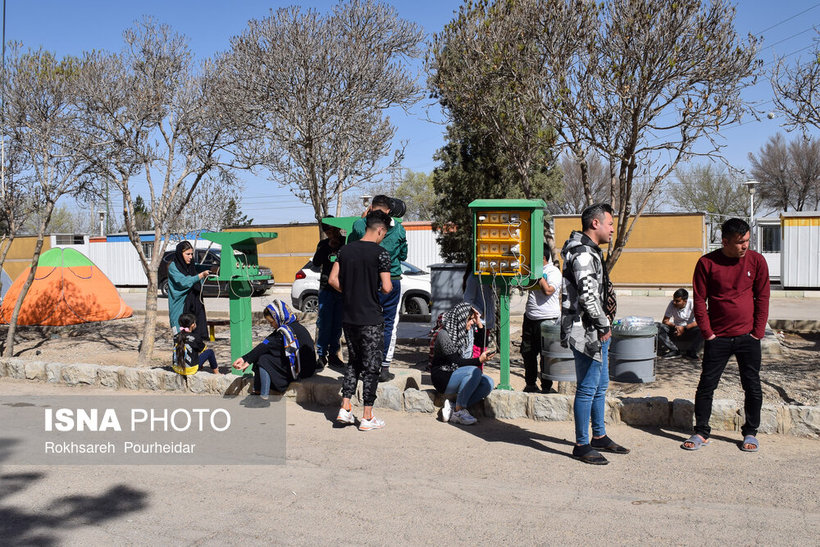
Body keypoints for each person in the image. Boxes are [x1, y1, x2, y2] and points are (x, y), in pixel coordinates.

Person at [683, 218, 770, 453]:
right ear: (725, 242)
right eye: (740, 242)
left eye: (747, 241)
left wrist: (757, 332)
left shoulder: (757, 261)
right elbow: (700, 299)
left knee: (752, 386)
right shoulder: (706, 263)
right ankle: (701, 431)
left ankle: (751, 432)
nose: (745, 246)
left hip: (747, 337)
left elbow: (762, 297)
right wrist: (707, 333)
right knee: (706, 385)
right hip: (717, 338)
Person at [560, 203, 629, 465]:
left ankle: (598, 436)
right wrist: (603, 325)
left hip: (594, 329)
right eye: (610, 224)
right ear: (595, 224)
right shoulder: (583, 254)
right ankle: (581, 444)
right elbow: (588, 297)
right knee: (588, 388)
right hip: (586, 331)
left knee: (599, 387)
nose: (613, 229)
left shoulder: (589, 251)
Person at [329, 209, 393, 431]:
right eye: (384, 233)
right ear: (380, 230)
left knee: (353, 362)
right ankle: (367, 416)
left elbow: (332, 279)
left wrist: (349, 292)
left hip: (349, 317)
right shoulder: (381, 253)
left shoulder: (344, 251)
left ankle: (345, 408)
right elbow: (387, 287)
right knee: (372, 366)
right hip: (371, 318)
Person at [348, 195, 408, 382]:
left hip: (367, 280)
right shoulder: (399, 229)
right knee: (388, 323)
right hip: (392, 278)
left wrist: (362, 216)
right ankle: (383, 367)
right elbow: (404, 254)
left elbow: (352, 243)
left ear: (372, 208)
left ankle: (363, 365)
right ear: (389, 211)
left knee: (364, 322)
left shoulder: (360, 225)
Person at [232, 300, 317, 398]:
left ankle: (263, 396)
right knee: (264, 355)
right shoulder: (290, 326)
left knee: (264, 359)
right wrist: (245, 359)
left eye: (272, 322)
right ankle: (258, 391)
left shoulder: (285, 332)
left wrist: (247, 360)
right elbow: (266, 343)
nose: (271, 325)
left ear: (278, 317)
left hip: (303, 370)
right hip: (307, 367)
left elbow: (266, 345)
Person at [430, 302, 496, 425]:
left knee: (488, 383)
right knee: (474, 371)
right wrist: (479, 361)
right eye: (470, 320)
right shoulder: (444, 335)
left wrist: (478, 321)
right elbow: (456, 361)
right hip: (443, 377)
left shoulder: (466, 333)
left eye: (472, 320)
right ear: (461, 318)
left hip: (458, 374)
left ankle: (454, 406)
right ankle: (459, 412)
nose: (472, 323)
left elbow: (483, 343)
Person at [521, 246, 562, 393]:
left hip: (547, 319)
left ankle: (546, 386)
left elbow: (548, 291)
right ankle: (530, 384)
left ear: (542, 258)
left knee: (546, 354)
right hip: (530, 317)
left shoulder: (553, 272)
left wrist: (538, 275)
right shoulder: (532, 271)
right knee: (528, 352)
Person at [312, 218, 345, 370]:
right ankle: (321, 355)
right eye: (329, 232)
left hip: (341, 289)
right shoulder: (323, 245)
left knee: (337, 325)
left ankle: (334, 354)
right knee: (324, 324)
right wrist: (326, 248)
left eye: (334, 230)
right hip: (326, 289)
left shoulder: (346, 242)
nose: (333, 234)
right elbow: (316, 263)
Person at [167, 241, 210, 341]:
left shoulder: (191, 267)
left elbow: (200, 268)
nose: (190, 257)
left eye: (192, 254)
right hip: (180, 309)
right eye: (187, 254)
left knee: (196, 342)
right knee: (180, 340)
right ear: (180, 254)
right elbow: (184, 282)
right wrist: (200, 276)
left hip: (194, 308)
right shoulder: (173, 267)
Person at [657, 288, 702, 359]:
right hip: (675, 328)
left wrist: (684, 328)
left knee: (702, 328)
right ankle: (674, 350)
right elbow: (665, 321)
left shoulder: (693, 304)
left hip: (689, 329)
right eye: (674, 300)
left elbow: (700, 320)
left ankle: (691, 352)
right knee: (657, 326)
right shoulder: (672, 303)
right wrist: (676, 326)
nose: (674, 302)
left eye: (677, 301)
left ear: (685, 301)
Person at [462, 269, 495, 355]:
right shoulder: (474, 277)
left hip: (486, 322)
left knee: (482, 352)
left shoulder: (488, 275)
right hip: (478, 323)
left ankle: (478, 368)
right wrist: (480, 314)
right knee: (476, 353)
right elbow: (467, 300)